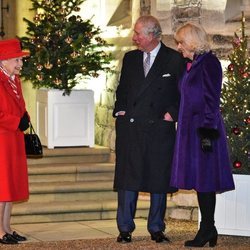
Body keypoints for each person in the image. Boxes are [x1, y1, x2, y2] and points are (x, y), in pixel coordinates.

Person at [113, 15, 185, 243]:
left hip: (159, 130)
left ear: (153, 35)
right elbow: (122, 90)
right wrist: (120, 110)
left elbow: (183, 93)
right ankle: (124, 228)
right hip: (131, 129)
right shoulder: (131, 58)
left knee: (158, 179)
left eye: (138, 34)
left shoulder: (174, 59)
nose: (134, 38)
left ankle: (156, 227)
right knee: (128, 179)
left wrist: (172, 114)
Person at [170, 22, 235, 248]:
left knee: (205, 180)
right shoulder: (194, 63)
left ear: (192, 41)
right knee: (200, 181)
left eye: (181, 42)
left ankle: (207, 228)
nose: (178, 47)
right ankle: (209, 228)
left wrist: (206, 134)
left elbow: (211, 100)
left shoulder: (209, 63)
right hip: (191, 129)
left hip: (204, 131)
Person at [0, 38, 30, 244]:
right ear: (3, 61)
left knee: (10, 186)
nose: (20, 64)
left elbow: (18, 105)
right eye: (17, 60)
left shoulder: (14, 80)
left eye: (21, 60)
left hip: (14, 140)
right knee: (2, 187)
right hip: (2, 140)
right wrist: (15, 122)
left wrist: (24, 117)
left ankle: (6, 227)